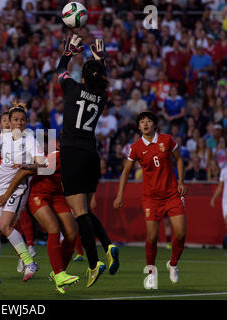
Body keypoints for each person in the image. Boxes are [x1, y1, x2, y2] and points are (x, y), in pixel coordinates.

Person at [56, 36, 119, 287]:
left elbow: (60, 70)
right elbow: (98, 78)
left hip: (72, 152)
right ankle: (108, 244)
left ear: (82, 76)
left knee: (79, 212)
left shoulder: (71, 88)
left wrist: (69, 52)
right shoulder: (102, 96)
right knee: (86, 210)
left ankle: (94, 264)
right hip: (92, 154)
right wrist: (100, 59)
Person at [0, 136, 80, 293]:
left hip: (58, 196)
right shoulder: (56, 156)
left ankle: (58, 273)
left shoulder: (77, 159)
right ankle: (59, 274)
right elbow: (24, 171)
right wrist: (7, 195)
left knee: (72, 233)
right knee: (53, 228)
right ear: (60, 144)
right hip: (38, 195)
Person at [114, 111, 187, 289]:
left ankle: (173, 264)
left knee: (181, 233)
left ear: (155, 124)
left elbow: (179, 160)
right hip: (151, 198)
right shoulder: (136, 147)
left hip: (171, 194)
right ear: (138, 127)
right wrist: (119, 195)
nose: (145, 124)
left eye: (148, 121)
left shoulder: (167, 139)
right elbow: (126, 172)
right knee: (152, 237)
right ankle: (151, 273)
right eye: (142, 122)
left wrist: (181, 181)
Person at [0, 102, 44, 293]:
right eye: (15, 120)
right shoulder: (4, 137)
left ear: (26, 122)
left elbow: (41, 164)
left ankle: (29, 262)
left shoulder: (31, 139)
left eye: (22, 120)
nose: (18, 123)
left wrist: (27, 167)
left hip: (17, 187)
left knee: (4, 226)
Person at [210, 164, 227, 249]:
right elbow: (220, 187)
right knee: (226, 222)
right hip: (225, 200)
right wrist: (213, 198)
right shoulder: (224, 170)